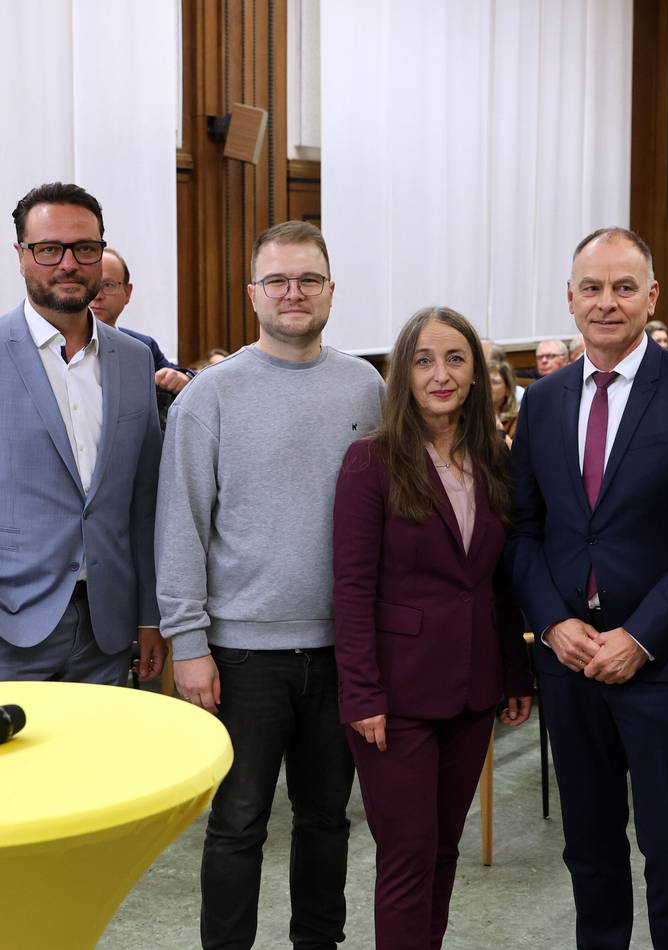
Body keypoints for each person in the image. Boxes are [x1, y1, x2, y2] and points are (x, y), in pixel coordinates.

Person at [507, 226, 668, 949]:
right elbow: (523, 532)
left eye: (623, 287)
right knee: (590, 852)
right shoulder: (543, 402)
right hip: (572, 663)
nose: (606, 302)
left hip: (666, 665)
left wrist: (641, 638)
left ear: (651, 297)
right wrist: (551, 624)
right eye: (592, 287)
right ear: (570, 299)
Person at [156, 220, 385, 949]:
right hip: (241, 655)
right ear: (253, 293)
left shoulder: (367, 386)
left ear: (330, 290)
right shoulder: (211, 396)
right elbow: (182, 524)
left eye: (308, 279)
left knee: (327, 822)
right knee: (237, 826)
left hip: (343, 653)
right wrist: (186, 644)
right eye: (278, 280)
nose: (294, 293)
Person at [333, 307, 533, 950]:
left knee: (444, 850)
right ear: (402, 375)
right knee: (406, 856)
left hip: (473, 688)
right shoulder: (371, 462)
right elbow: (352, 588)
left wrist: (515, 670)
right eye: (423, 360)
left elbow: (500, 580)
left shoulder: (494, 457)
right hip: (395, 697)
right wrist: (361, 692)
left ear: (478, 373)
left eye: (454, 359)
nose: (440, 374)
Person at [0, 182, 164, 685]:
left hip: (107, 631)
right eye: (49, 249)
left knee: (104, 763)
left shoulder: (135, 360)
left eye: (85, 248)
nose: (68, 263)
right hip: (12, 627)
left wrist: (149, 616)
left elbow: (144, 501)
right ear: (22, 256)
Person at [90, 246, 191, 395]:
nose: (97, 296)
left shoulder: (144, 346)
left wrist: (185, 379)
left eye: (108, 285)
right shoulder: (56, 346)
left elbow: (180, 379)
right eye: (91, 286)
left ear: (127, 292)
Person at [488, 358, 519, 441]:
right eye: (485, 381)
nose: (487, 386)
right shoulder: (471, 417)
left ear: (508, 389)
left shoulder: (517, 421)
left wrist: (501, 433)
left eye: (494, 382)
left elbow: (517, 452)